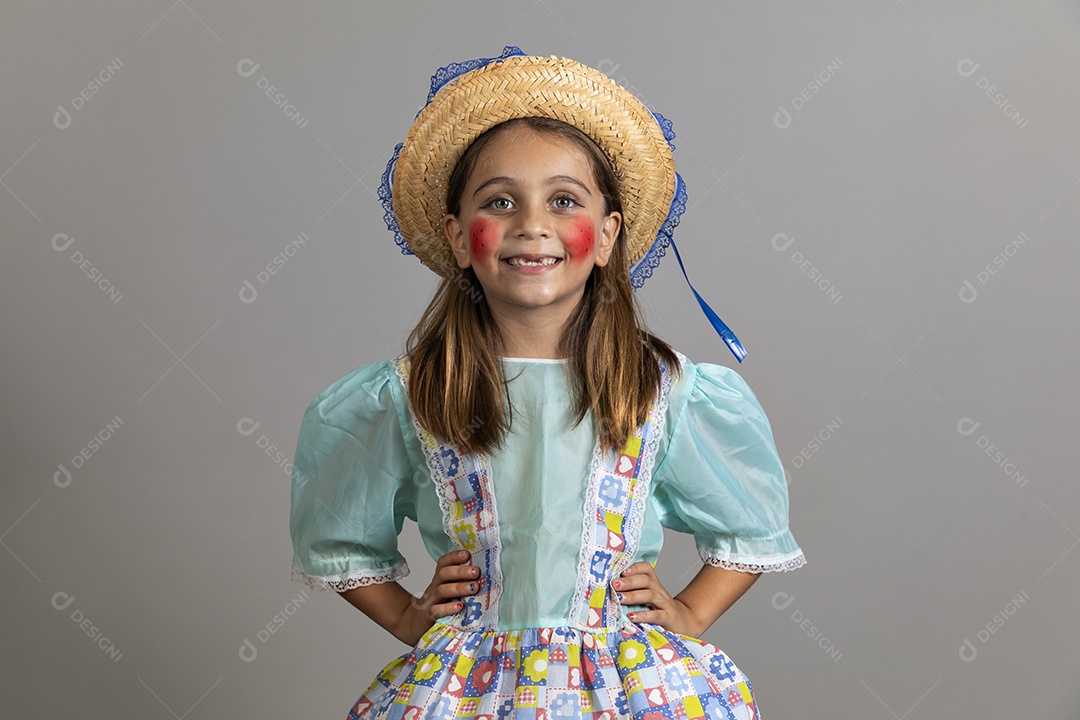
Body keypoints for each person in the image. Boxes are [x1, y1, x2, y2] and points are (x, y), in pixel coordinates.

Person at [290, 46, 806, 720]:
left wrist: (689, 611)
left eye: (564, 201)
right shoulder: (411, 395)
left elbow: (749, 526)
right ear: (456, 235)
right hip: (468, 687)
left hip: (629, 685)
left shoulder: (660, 391)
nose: (532, 224)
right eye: (499, 201)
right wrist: (406, 619)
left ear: (609, 234)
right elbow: (340, 539)